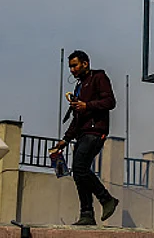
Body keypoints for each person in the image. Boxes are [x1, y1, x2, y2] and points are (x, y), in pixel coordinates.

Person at [54, 50, 119, 225]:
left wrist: (87, 105)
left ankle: (106, 199)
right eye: (70, 67)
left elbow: (110, 102)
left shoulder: (99, 78)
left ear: (85, 63)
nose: (72, 70)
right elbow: (77, 118)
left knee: (80, 168)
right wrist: (65, 140)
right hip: (83, 133)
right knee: (79, 172)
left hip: (95, 131)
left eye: (75, 65)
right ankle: (87, 214)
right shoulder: (80, 86)